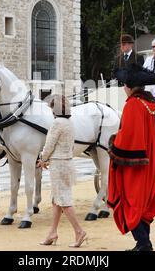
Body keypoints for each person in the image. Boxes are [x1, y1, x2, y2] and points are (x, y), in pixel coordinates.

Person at [107, 63, 155, 251]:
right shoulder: (154, 105)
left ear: (129, 87)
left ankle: (144, 243)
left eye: (124, 85)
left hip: (137, 167)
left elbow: (128, 137)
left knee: (131, 203)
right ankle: (142, 244)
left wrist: (113, 145)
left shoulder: (134, 104)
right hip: (152, 165)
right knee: (144, 206)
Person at [37, 95, 87, 248]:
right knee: (56, 200)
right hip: (67, 162)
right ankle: (52, 232)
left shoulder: (57, 123)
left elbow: (49, 144)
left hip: (58, 164)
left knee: (63, 200)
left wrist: (43, 159)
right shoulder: (69, 122)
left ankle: (79, 231)